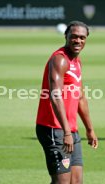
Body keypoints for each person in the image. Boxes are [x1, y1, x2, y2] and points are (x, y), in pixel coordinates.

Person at [36, 21, 98, 184]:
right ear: (66, 36)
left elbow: (80, 98)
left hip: (70, 129)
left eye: (82, 38)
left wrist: (90, 129)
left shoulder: (76, 63)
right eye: (74, 37)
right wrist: (66, 132)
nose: (78, 41)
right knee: (62, 182)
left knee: (76, 181)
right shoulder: (60, 60)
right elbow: (55, 95)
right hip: (53, 128)